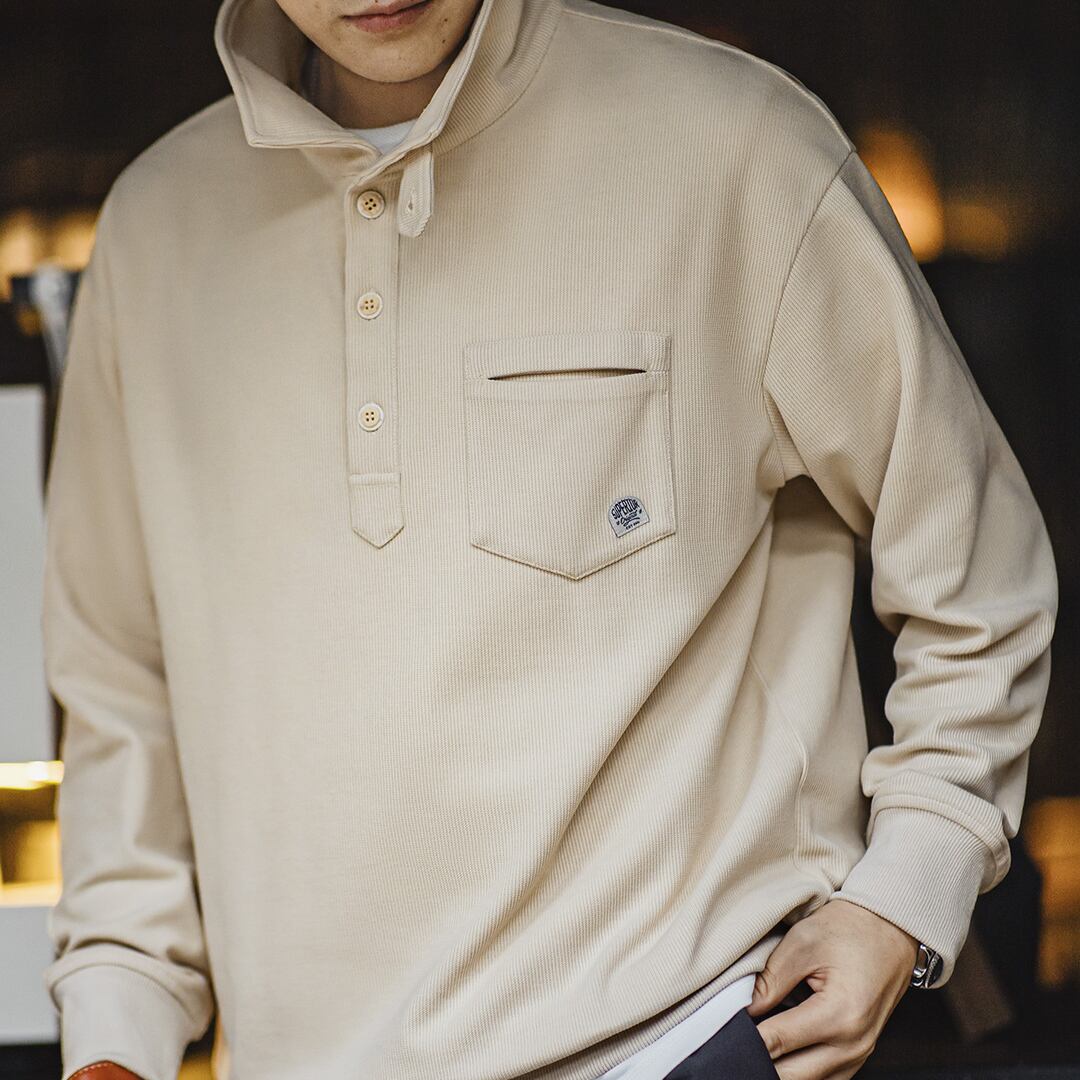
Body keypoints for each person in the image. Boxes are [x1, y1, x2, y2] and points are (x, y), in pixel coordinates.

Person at [42, 0, 1057, 1078]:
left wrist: (906, 890)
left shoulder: (736, 144)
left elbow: (976, 565)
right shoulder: (156, 228)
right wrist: (116, 1032)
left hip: (687, 1037)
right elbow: (122, 696)